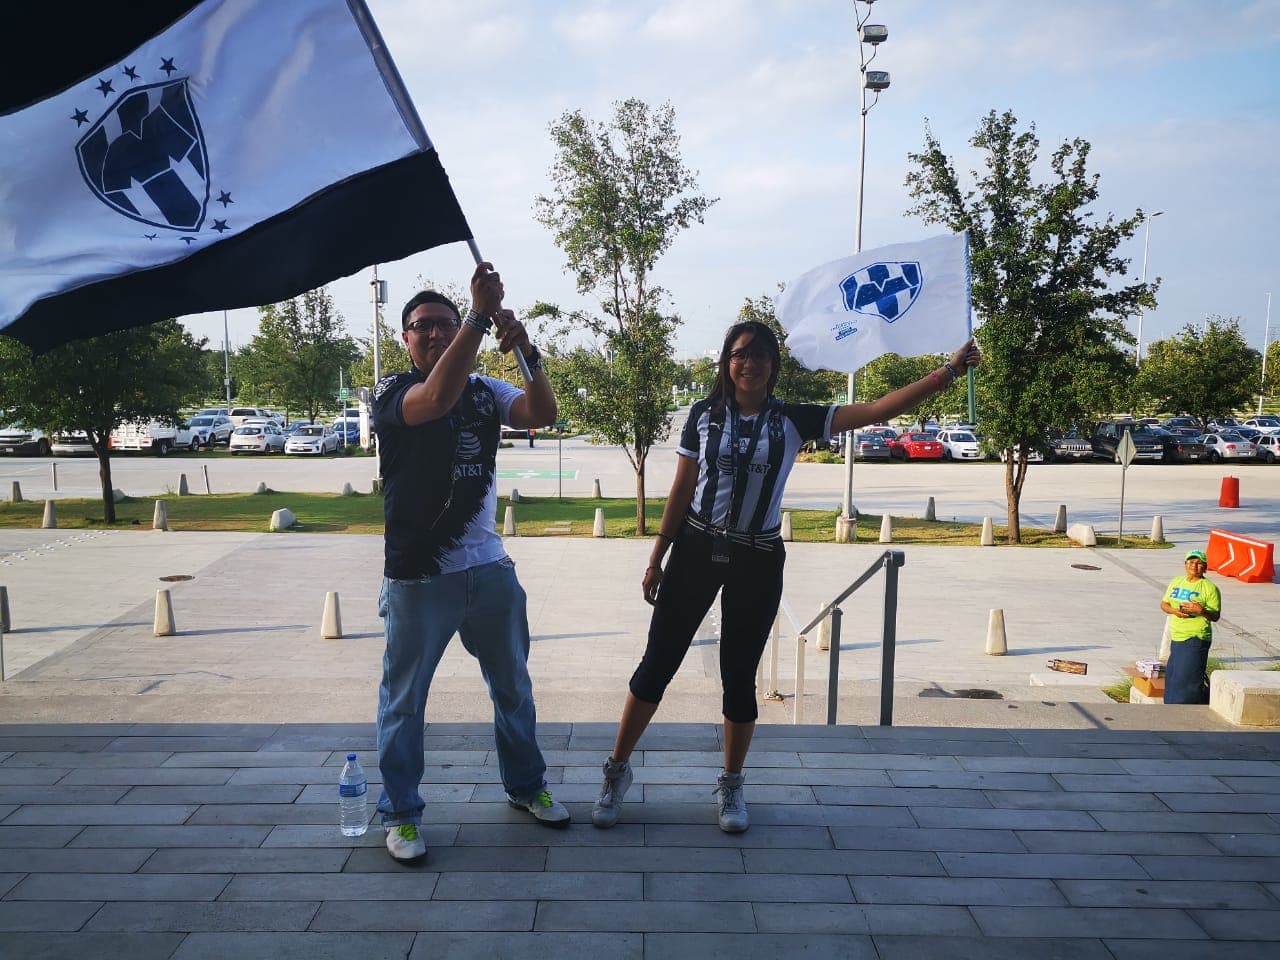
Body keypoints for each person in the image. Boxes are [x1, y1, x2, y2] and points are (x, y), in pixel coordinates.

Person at [592, 320, 980, 832]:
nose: (747, 363)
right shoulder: (703, 416)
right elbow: (682, 487)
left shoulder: (794, 419)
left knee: (739, 675)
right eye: (737, 354)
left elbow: (878, 410)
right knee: (656, 665)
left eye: (758, 355)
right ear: (726, 364)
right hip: (696, 549)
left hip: (757, 558)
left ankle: (731, 784)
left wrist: (948, 372)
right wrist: (656, 556)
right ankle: (616, 772)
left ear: (774, 366)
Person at [371, 262, 567, 865]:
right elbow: (435, 399)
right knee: (404, 699)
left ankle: (526, 786)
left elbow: (542, 414)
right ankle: (402, 814)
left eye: (443, 324)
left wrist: (526, 349)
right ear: (403, 339)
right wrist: (478, 318)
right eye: (420, 326)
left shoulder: (486, 389)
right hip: (418, 575)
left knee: (512, 687)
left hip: (489, 570)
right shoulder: (393, 395)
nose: (432, 334)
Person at [1160, 549, 1221, 705]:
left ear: (1205, 567)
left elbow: (1215, 616)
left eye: (1199, 563)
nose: (1194, 565)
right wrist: (1175, 611)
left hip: (1196, 638)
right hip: (1177, 636)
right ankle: (1170, 708)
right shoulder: (1177, 581)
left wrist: (1201, 611)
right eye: (1191, 562)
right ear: (1185, 564)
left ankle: (1188, 712)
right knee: (1174, 677)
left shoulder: (1209, 588)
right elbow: (1164, 604)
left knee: (1188, 680)